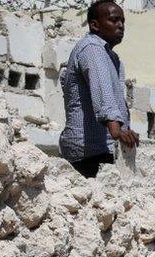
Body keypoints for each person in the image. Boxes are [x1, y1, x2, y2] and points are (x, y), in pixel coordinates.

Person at [59, 0, 139, 178]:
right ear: (95, 25)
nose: (120, 26)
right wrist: (116, 129)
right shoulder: (92, 48)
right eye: (114, 20)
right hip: (89, 154)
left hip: (102, 150)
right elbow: (102, 89)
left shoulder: (111, 56)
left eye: (123, 21)